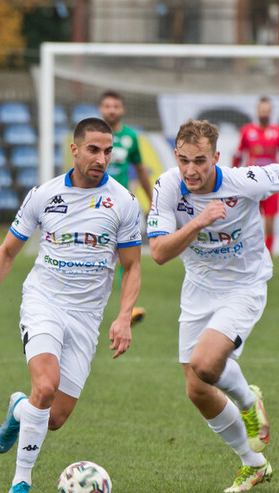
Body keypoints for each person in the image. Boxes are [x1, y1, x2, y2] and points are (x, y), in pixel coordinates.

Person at [0, 117, 142, 493]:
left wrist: (124, 315)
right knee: (44, 386)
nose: (102, 158)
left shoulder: (124, 202)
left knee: (54, 416)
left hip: (86, 317)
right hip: (44, 300)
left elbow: (132, 266)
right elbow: (7, 251)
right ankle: (20, 484)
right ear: (74, 150)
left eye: (108, 151)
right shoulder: (44, 195)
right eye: (93, 149)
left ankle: (17, 409)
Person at [147, 119, 279, 493]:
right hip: (198, 289)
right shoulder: (168, 186)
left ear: (216, 157)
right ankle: (254, 464)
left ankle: (250, 402)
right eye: (184, 160)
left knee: (205, 363)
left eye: (200, 160)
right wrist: (199, 222)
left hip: (244, 286)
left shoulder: (244, 181)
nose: (191, 170)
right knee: (197, 389)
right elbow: (159, 253)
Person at [98, 90, 151, 326]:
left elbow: (140, 169)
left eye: (115, 106)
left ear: (122, 110)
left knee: (126, 256)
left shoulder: (130, 136)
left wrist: (153, 201)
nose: (111, 110)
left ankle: (126, 310)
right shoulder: (94, 135)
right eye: (107, 106)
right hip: (95, 203)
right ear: (101, 109)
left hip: (122, 205)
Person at [231, 96, 279, 256]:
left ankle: (268, 257)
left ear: (271, 111)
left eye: (267, 110)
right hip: (251, 184)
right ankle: (244, 253)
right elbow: (238, 156)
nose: (264, 112)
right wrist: (232, 178)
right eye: (262, 109)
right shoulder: (247, 132)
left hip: (271, 183)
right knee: (246, 220)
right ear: (257, 110)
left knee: (269, 222)